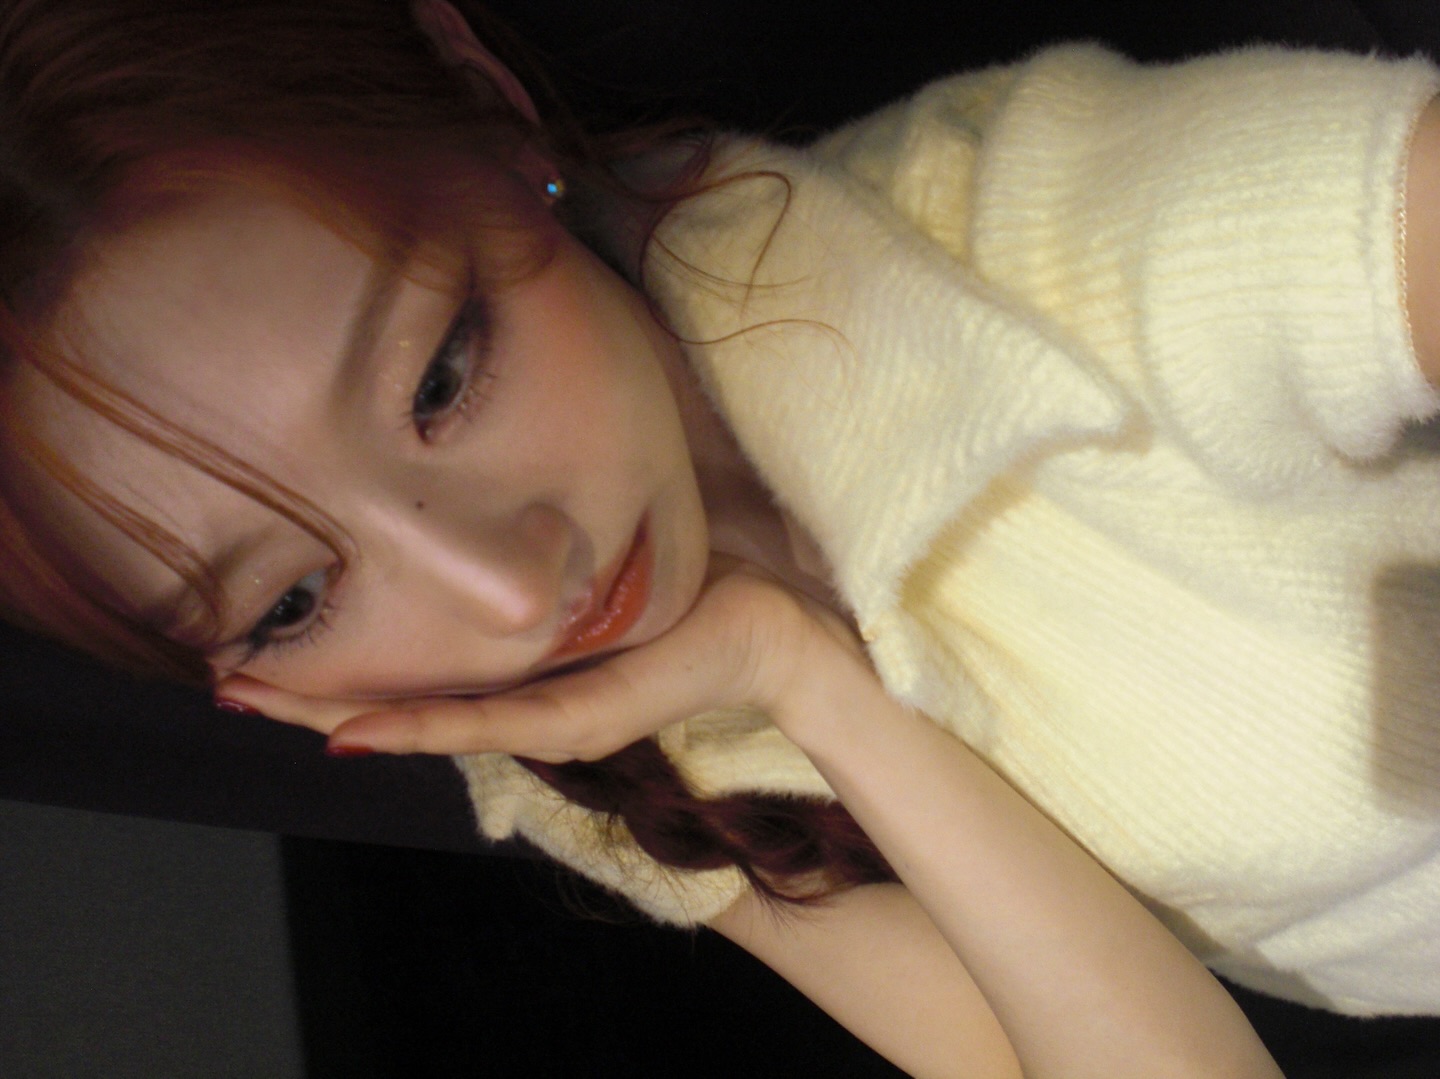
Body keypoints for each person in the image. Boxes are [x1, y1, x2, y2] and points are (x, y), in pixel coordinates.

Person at [3, 0, 1440, 1071]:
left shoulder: (1039, 231)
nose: (508, 595)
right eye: (293, 601)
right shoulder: (590, 749)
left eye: (442, 377)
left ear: (490, 115)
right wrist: (807, 679)